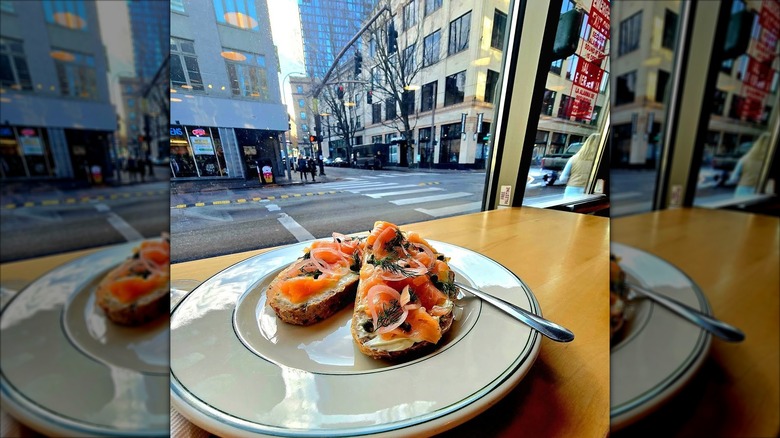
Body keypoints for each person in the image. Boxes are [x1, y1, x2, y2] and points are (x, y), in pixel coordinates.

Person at [726, 132, 770, 197]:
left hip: (743, 189)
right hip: (760, 191)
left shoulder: (744, 159)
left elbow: (733, 179)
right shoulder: (768, 161)